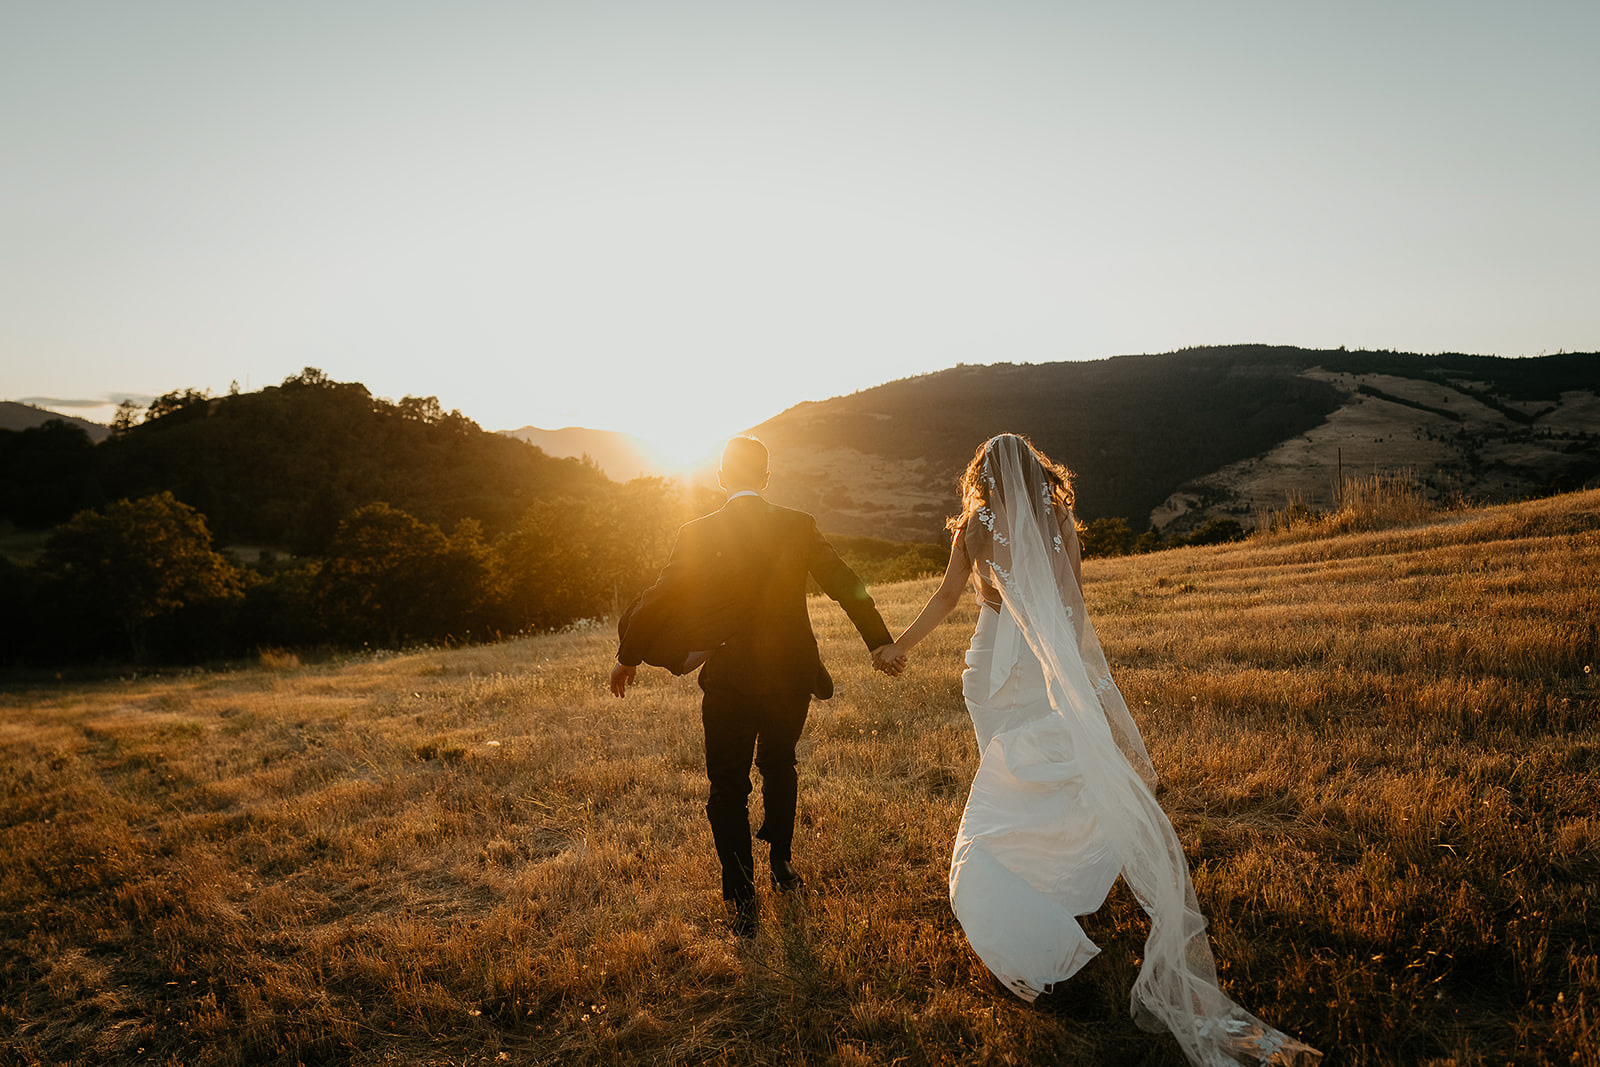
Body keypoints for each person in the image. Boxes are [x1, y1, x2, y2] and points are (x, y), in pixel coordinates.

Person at [872, 434, 1319, 1066]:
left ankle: (1025, 892)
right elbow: (1074, 608)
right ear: (1036, 471)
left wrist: (900, 646)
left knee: (1007, 783)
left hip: (991, 666)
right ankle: (1056, 879)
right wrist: (1078, 676)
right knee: (1056, 775)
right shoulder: (1061, 520)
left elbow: (949, 597)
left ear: (983, 476)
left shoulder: (974, 526)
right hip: (1043, 663)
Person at [611, 436, 900, 937]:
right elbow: (846, 581)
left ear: (722, 478)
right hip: (791, 670)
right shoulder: (797, 524)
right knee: (780, 763)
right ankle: (783, 863)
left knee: (727, 786)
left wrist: (627, 657)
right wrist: (878, 643)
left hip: (730, 677)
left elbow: (660, 595)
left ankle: (743, 898)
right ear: (766, 479)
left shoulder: (698, 530)